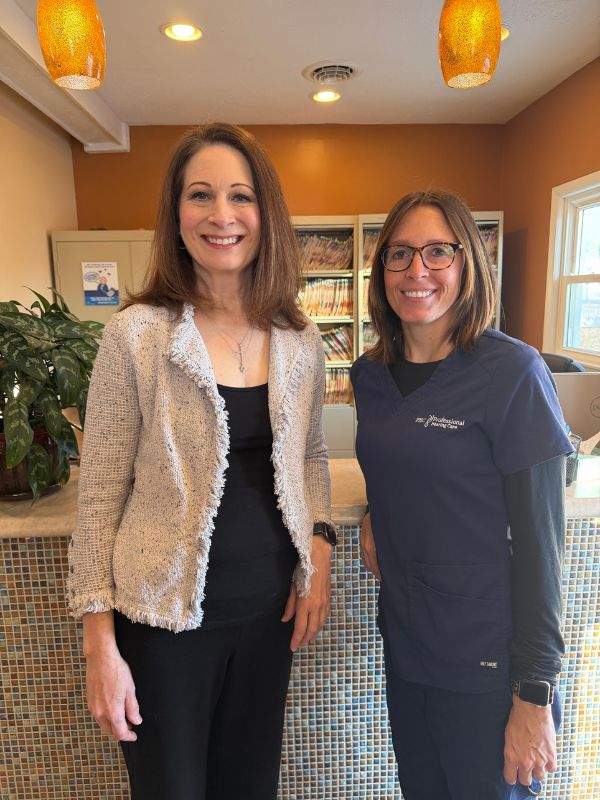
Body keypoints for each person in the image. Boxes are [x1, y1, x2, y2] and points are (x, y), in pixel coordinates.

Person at [67, 122, 337, 800]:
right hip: (162, 627)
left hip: (266, 620)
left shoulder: (300, 340)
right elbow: (98, 493)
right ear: (175, 214)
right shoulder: (137, 335)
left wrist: (320, 556)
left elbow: (309, 457)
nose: (222, 215)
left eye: (240, 196)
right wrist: (99, 644)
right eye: (201, 196)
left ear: (264, 213)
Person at [351, 190, 571, 800]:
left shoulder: (513, 374)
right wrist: (377, 508)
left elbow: (541, 550)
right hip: (409, 647)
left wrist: (534, 695)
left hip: (488, 664)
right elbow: (404, 461)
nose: (416, 270)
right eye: (399, 254)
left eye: (437, 252)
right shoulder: (370, 375)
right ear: (381, 271)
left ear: (468, 263)